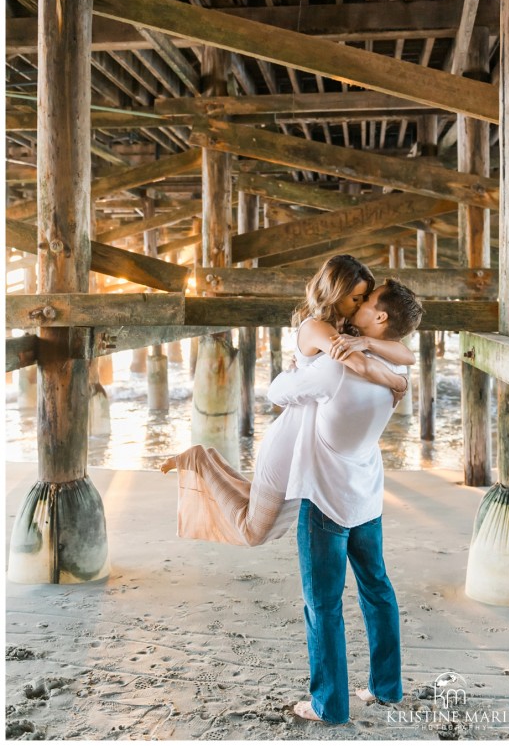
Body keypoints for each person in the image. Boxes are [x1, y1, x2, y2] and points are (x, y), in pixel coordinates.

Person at [161, 255, 413, 546]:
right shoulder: (316, 327)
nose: (361, 305)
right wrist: (398, 381)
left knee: (258, 507)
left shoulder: (348, 329)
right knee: (254, 532)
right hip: (287, 445)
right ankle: (199, 460)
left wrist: (370, 343)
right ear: (336, 294)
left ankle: (210, 462)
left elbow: (407, 354)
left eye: (364, 299)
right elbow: (361, 365)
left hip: (309, 449)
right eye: (357, 298)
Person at [267, 278, 424, 724]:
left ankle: (329, 706)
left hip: (325, 498)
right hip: (366, 494)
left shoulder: (335, 368)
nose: (356, 305)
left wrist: (294, 368)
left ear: (380, 317)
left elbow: (276, 394)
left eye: (365, 301)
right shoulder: (400, 374)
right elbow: (392, 364)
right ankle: (386, 688)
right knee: (377, 589)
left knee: (323, 603)